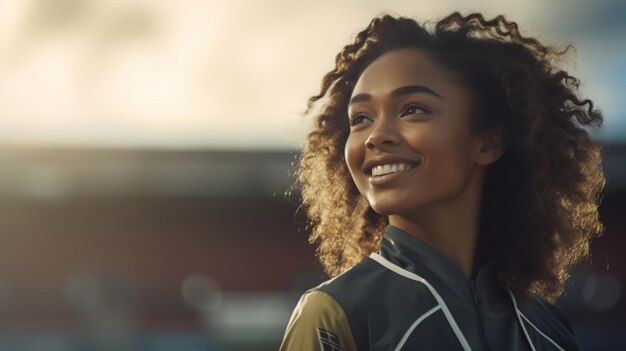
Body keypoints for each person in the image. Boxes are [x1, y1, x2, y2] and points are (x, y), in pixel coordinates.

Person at [280, 12, 604, 351]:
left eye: (412, 110)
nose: (375, 137)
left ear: (488, 142)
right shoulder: (336, 315)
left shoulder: (548, 327)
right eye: (360, 118)